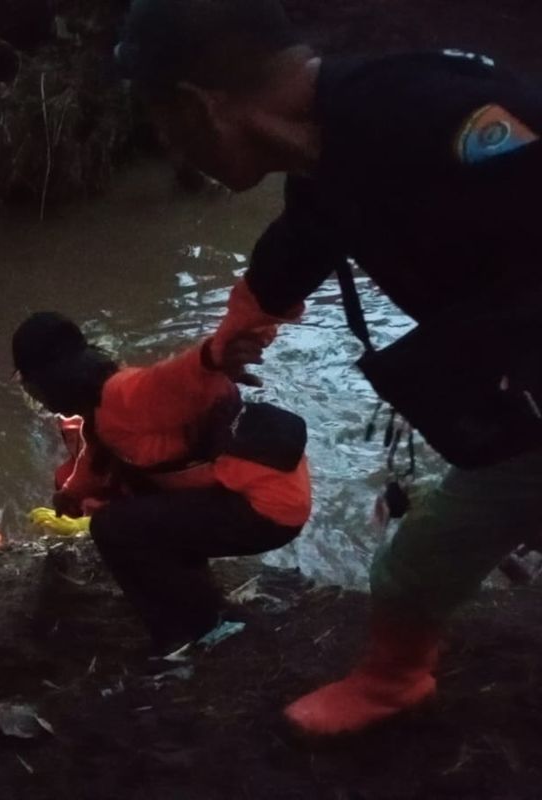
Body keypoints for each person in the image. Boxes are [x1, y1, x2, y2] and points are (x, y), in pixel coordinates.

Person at [117, 0, 542, 734]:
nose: (171, 148)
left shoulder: (436, 111)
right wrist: (224, 349)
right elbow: (289, 257)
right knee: (416, 563)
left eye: (163, 125)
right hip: (526, 413)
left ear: (199, 105)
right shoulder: (327, 166)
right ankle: (393, 680)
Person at [12, 312, 311, 655]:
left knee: (115, 527)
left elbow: (178, 378)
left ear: (51, 382)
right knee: (138, 509)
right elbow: (98, 460)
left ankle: (202, 631)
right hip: (258, 494)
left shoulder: (125, 394)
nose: (35, 397)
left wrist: (212, 353)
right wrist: (70, 495)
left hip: (264, 505)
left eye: (31, 386)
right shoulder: (102, 407)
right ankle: (201, 607)